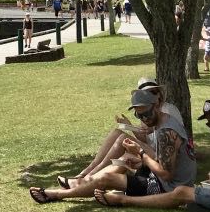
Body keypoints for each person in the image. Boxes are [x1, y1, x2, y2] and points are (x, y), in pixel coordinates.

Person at [31, 88, 196, 204]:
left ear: (157, 106)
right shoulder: (164, 121)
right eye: (139, 114)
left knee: (106, 179)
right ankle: (83, 182)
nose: (143, 118)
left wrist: (140, 153)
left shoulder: (167, 132)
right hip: (165, 179)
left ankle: (58, 195)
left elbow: (166, 174)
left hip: (167, 188)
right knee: (124, 160)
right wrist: (141, 160)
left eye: (146, 112)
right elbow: (162, 161)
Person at [55, 77, 184, 188]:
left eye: (152, 92)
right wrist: (130, 126)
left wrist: (141, 152)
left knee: (123, 139)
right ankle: (87, 174)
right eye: (143, 93)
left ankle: (86, 180)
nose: (147, 96)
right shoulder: (147, 111)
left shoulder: (166, 112)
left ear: (159, 95)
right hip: (156, 155)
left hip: (162, 158)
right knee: (118, 133)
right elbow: (147, 139)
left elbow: (171, 145)